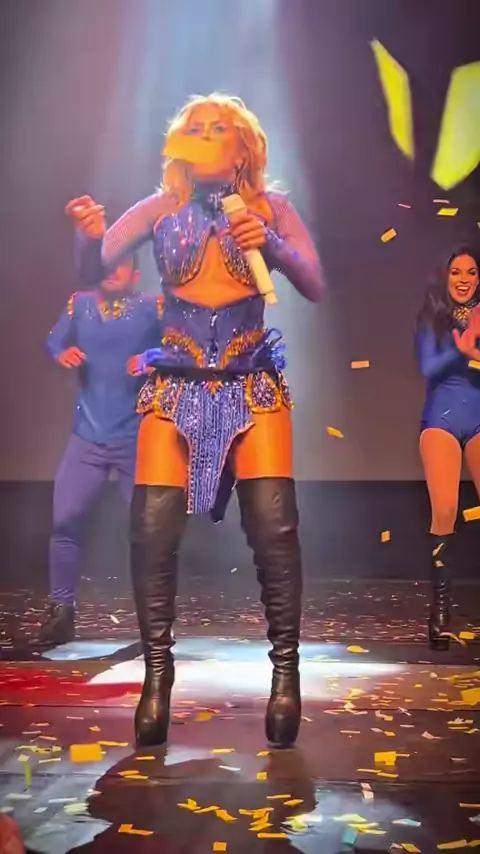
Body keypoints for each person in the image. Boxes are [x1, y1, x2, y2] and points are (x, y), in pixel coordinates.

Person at [66, 93, 324, 748]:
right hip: (176, 384)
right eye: (196, 128)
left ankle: (286, 672)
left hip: (250, 382)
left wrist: (271, 243)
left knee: (273, 529)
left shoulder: (272, 207)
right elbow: (96, 265)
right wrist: (89, 233)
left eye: (220, 128)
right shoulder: (160, 208)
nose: (207, 136)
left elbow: (314, 282)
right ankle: (157, 674)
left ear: (243, 146)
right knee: (151, 530)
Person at [40, 254, 163, 645]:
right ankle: (61, 612)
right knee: (64, 522)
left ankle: (153, 619)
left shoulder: (152, 307)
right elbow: (54, 340)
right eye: (107, 263)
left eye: (121, 264)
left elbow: (182, 348)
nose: (112, 271)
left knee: (148, 532)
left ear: (135, 274)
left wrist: (151, 358)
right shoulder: (79, 304)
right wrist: (61, 353)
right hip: (87, 437)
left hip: (134, 437)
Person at [415, 246, 480, 650]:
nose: (463, 279)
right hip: (442, 417)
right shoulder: (432, 315)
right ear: (446, 276)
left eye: (471, 272)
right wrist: (462, 346)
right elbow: (427, 366)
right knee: (445, 510)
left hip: (479, 416)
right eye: (456, 271)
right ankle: (440, 613)